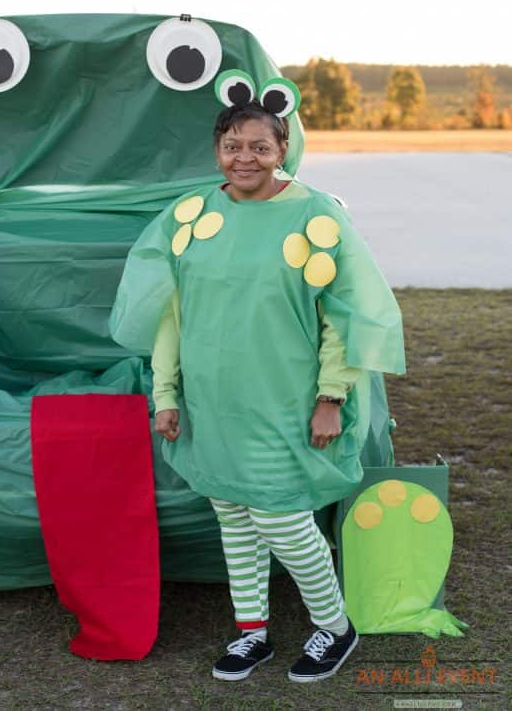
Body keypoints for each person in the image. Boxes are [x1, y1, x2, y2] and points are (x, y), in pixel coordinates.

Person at [110, 88, 405, 684]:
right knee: (233, 517)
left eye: (259, 146)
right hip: (213, 403)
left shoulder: (316, 216)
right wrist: (166, 395)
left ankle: (334, 626)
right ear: (217, 150)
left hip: (284, 399)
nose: (244, 157)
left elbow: (341, 316)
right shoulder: (190, 215)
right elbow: (172, 314)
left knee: (282, 519)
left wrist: (331, 397)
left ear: (283, 147)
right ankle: (252, 634)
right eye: (231, 146)